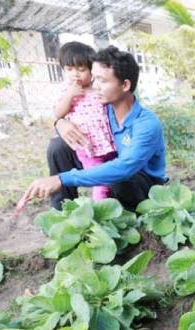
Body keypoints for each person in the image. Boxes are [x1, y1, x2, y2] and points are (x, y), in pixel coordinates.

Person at [22, 46, 167, 211]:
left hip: (144, 185)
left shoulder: (146, 124)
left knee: (117, 177)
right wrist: (59, 123)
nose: (95, 86)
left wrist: (62, 179)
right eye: (95, 79)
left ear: (125, 85)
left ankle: (134, 219)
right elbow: (66, 115)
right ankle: (63, 214)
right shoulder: (103, 109)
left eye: (103, 81)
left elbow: (124, 168)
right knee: (58, 148)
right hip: (112, 168)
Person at [53, 41, 116, 201]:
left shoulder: (98, 87)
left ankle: (113, 207)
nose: (75, 74)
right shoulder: (66, 89)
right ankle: (99, 211)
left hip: (108, 143)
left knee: (113, 176)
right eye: (69, 69)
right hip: (87, 145)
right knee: (99, 180)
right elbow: (58, 113)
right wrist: (69, 95)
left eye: (81, 70)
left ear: (92, 70)